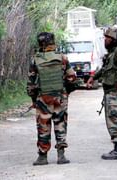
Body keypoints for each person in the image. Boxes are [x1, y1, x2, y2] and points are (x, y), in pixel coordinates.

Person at [27, 32, 77, 165]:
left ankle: (42, 157)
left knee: (43, 126)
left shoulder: (35, 59)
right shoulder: (62, 57)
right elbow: (72, 77)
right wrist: (66, 92)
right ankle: (61, 155)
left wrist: (33, 99)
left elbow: (31, 84)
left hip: (43, 98)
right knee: (60, 124)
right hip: (60, 97)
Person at [87, 26, 117, 160]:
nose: (105, 40)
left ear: (113, 39)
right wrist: (93, 77)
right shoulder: (112, 53)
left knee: (115, 118)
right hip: (110, 91)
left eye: (107, 38)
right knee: (112, 118)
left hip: (116, 91)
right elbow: (105, 69)